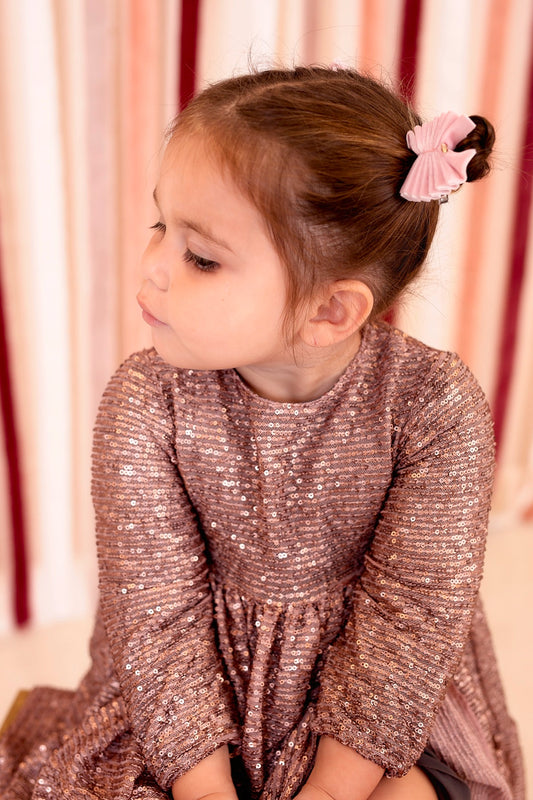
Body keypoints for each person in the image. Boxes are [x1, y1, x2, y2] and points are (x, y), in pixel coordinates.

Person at [0, 66, 525, 800]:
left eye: (201, 257)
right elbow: (156, 618)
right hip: (186, 705)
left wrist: (329, 792)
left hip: (378, 710)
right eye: (160, 226)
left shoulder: (434, 407)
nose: (152, 267)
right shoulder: (147, 403)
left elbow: (408, 623)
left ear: (329, 312)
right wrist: (206, 790)